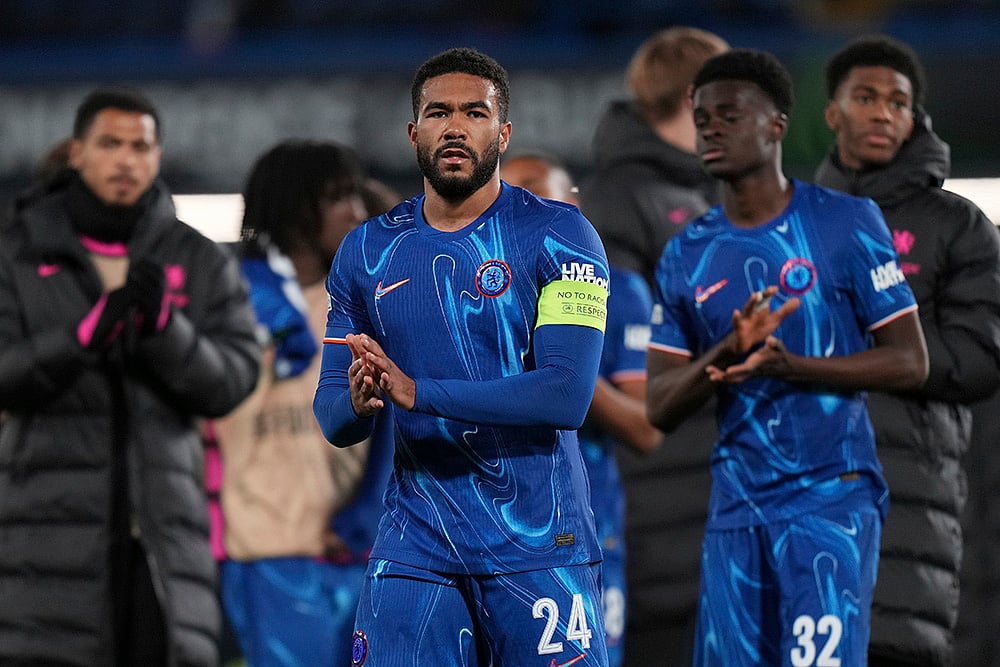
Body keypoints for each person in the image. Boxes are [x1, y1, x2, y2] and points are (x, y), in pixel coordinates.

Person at [313, 47, 611, 666]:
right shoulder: (367, 250)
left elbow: (566, 395)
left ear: (501, 133)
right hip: (416, 543)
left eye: (474, 113)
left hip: (538, 542)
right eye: (438, 112)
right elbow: (332, 416)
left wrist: (419, 392)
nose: (455, 126)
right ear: (413, 132)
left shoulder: (562, 234)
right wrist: (362, 402)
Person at [645, 49, 929, 666]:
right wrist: (727, 349)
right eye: (701, 117)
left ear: (776, 125)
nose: (710, 128)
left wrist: (788, 366)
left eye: (729, 114)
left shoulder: (847, 222)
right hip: (736, 510)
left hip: (831, 500)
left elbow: (910, 362)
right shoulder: (687, 252)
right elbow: (660, 407)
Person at [0, 87, 261, 666]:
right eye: (109, 144)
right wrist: (81, 338)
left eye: (140, 146)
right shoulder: (16, 253)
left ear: (158, 157)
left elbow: (234, 381)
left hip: (163, 551)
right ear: (77, 153)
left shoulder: (197, 259)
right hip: (46, 551)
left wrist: (168, 331)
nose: (126, 159)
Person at [814, 34, 1000, 666]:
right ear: (833, 112)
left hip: (911, 495)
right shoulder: (795, 222)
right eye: (865, 98)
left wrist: (865, 348)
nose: (882, 113)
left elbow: (980, 360)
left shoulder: (958, 225)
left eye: (898, 102)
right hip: (804, 491)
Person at [210, 139, 395, 667]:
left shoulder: (369, 301)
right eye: (339, 198)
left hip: (363, 550)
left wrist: (366, 514)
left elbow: (399, 422)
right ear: (296, 212)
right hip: (270, 549)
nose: (356, 212)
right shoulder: (226, 302)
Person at [577, 26, 729, 665]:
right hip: (645, 508)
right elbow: (605, 362)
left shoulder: (701, 194)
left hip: (701, 505)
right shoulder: (616, 204)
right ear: (699, 95)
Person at [502, 150, 660, 667]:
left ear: (571, 206)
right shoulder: (473, 292)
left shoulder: (619, 290)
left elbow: (643, 426)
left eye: (535, 190)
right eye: (507, 192)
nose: (519, 205)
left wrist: (560, 364)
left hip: (580, 529)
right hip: (486, 527)